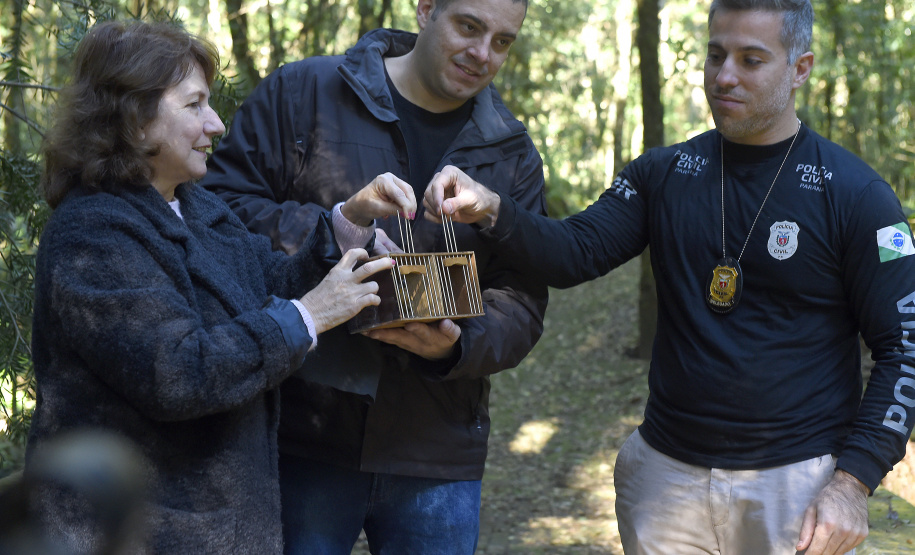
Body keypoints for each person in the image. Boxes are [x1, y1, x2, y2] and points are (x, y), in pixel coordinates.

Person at [424, 1, 915, 553]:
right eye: (715, 55)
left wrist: (853, 482)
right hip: (664, 482)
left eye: (751, 59)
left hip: (796, 488)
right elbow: (575, 252)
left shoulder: (855, 194)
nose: (724, 76)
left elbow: (905, 346)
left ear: (800, 68)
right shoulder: (664, 173)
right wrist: (492, 208)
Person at [26, 20, 415, 553]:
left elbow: (268, 280)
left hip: (219, 528)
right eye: (194, 105)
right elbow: (179, 373)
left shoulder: (196, 204)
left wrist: (349, 222)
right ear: (135, 120)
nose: (216, 123)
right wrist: (308, 317)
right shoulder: (93, 234)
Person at [199, 0, 548, 552]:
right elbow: (214, 212)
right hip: (303, 432)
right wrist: (340, 227)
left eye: (502, 41)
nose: (483, 54)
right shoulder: (305, 92)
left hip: (437, 444)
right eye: (469, 27)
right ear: (426, 8)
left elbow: (522, 301)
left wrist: (455, 347)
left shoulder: (512, 152)